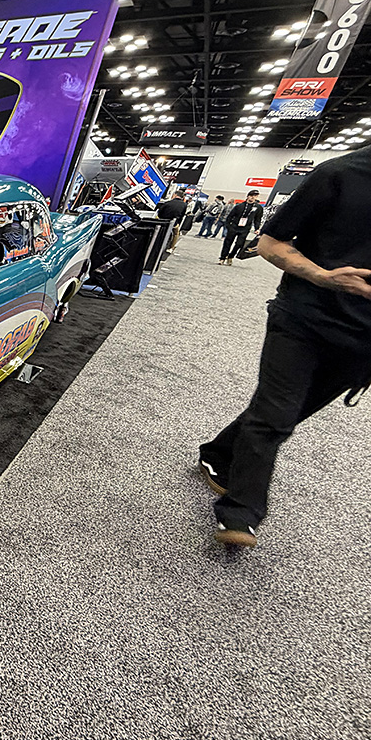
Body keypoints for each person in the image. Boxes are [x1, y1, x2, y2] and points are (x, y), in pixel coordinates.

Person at [198, 147, 371, 547]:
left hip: (363, 343)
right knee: (274, 416)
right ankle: (240, 513)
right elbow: (270, 243)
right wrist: (324, 277)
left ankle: (218, 453)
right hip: (304, 319)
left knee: (286, 413)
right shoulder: (339, 174)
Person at [219, 189, 264, 265]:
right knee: (227, 243)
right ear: (248, 196)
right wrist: (228, 226)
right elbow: (230, 216)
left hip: (245, 228)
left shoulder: (258, 208)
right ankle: (222, 258)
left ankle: (231, 256)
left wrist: (257, 228)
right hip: (234, 226)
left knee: (239, 244)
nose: (253, 197)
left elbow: (257, 219)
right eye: (251, 195)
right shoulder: (239, 206)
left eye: (255, 196)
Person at [157, 188, 189, 253]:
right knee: (176, 234)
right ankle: (171, 247)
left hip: (163, 222)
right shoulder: (184, 205)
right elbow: (182, 215)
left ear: (175, 195)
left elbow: (159, 212)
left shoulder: (167, 203)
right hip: (174, 223)